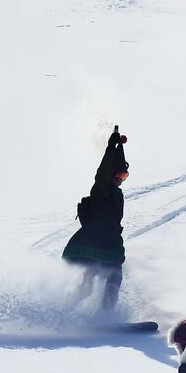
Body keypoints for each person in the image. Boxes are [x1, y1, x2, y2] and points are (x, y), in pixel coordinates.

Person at [61, 126, 127, 313]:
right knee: (115, 272)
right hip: (99, 244)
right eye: (120, 175)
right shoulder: (102, 189)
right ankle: (106, 313)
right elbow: (102, 174)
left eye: (125, 176)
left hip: (92, 245)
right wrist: (110, 150)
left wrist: (116, 149)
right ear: (113, 174)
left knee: (91, 280)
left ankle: (64, 310)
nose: (122, 179)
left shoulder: (116, 192)